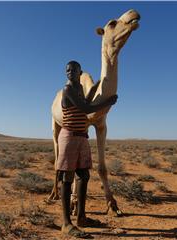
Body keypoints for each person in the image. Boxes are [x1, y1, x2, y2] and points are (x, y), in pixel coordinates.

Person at [57, 60, 117, 238]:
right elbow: (85, 108)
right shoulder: (68, 90)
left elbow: (87, 99)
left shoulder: (79, 89)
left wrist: (101, 83)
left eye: (73, 69)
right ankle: (66, 224)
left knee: (84, 175)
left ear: (80, 72)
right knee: (67, 178)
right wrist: (107, 103)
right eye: (67, 69)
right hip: (69, 137)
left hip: (82, 137)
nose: (70, 72)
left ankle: (81, 217)